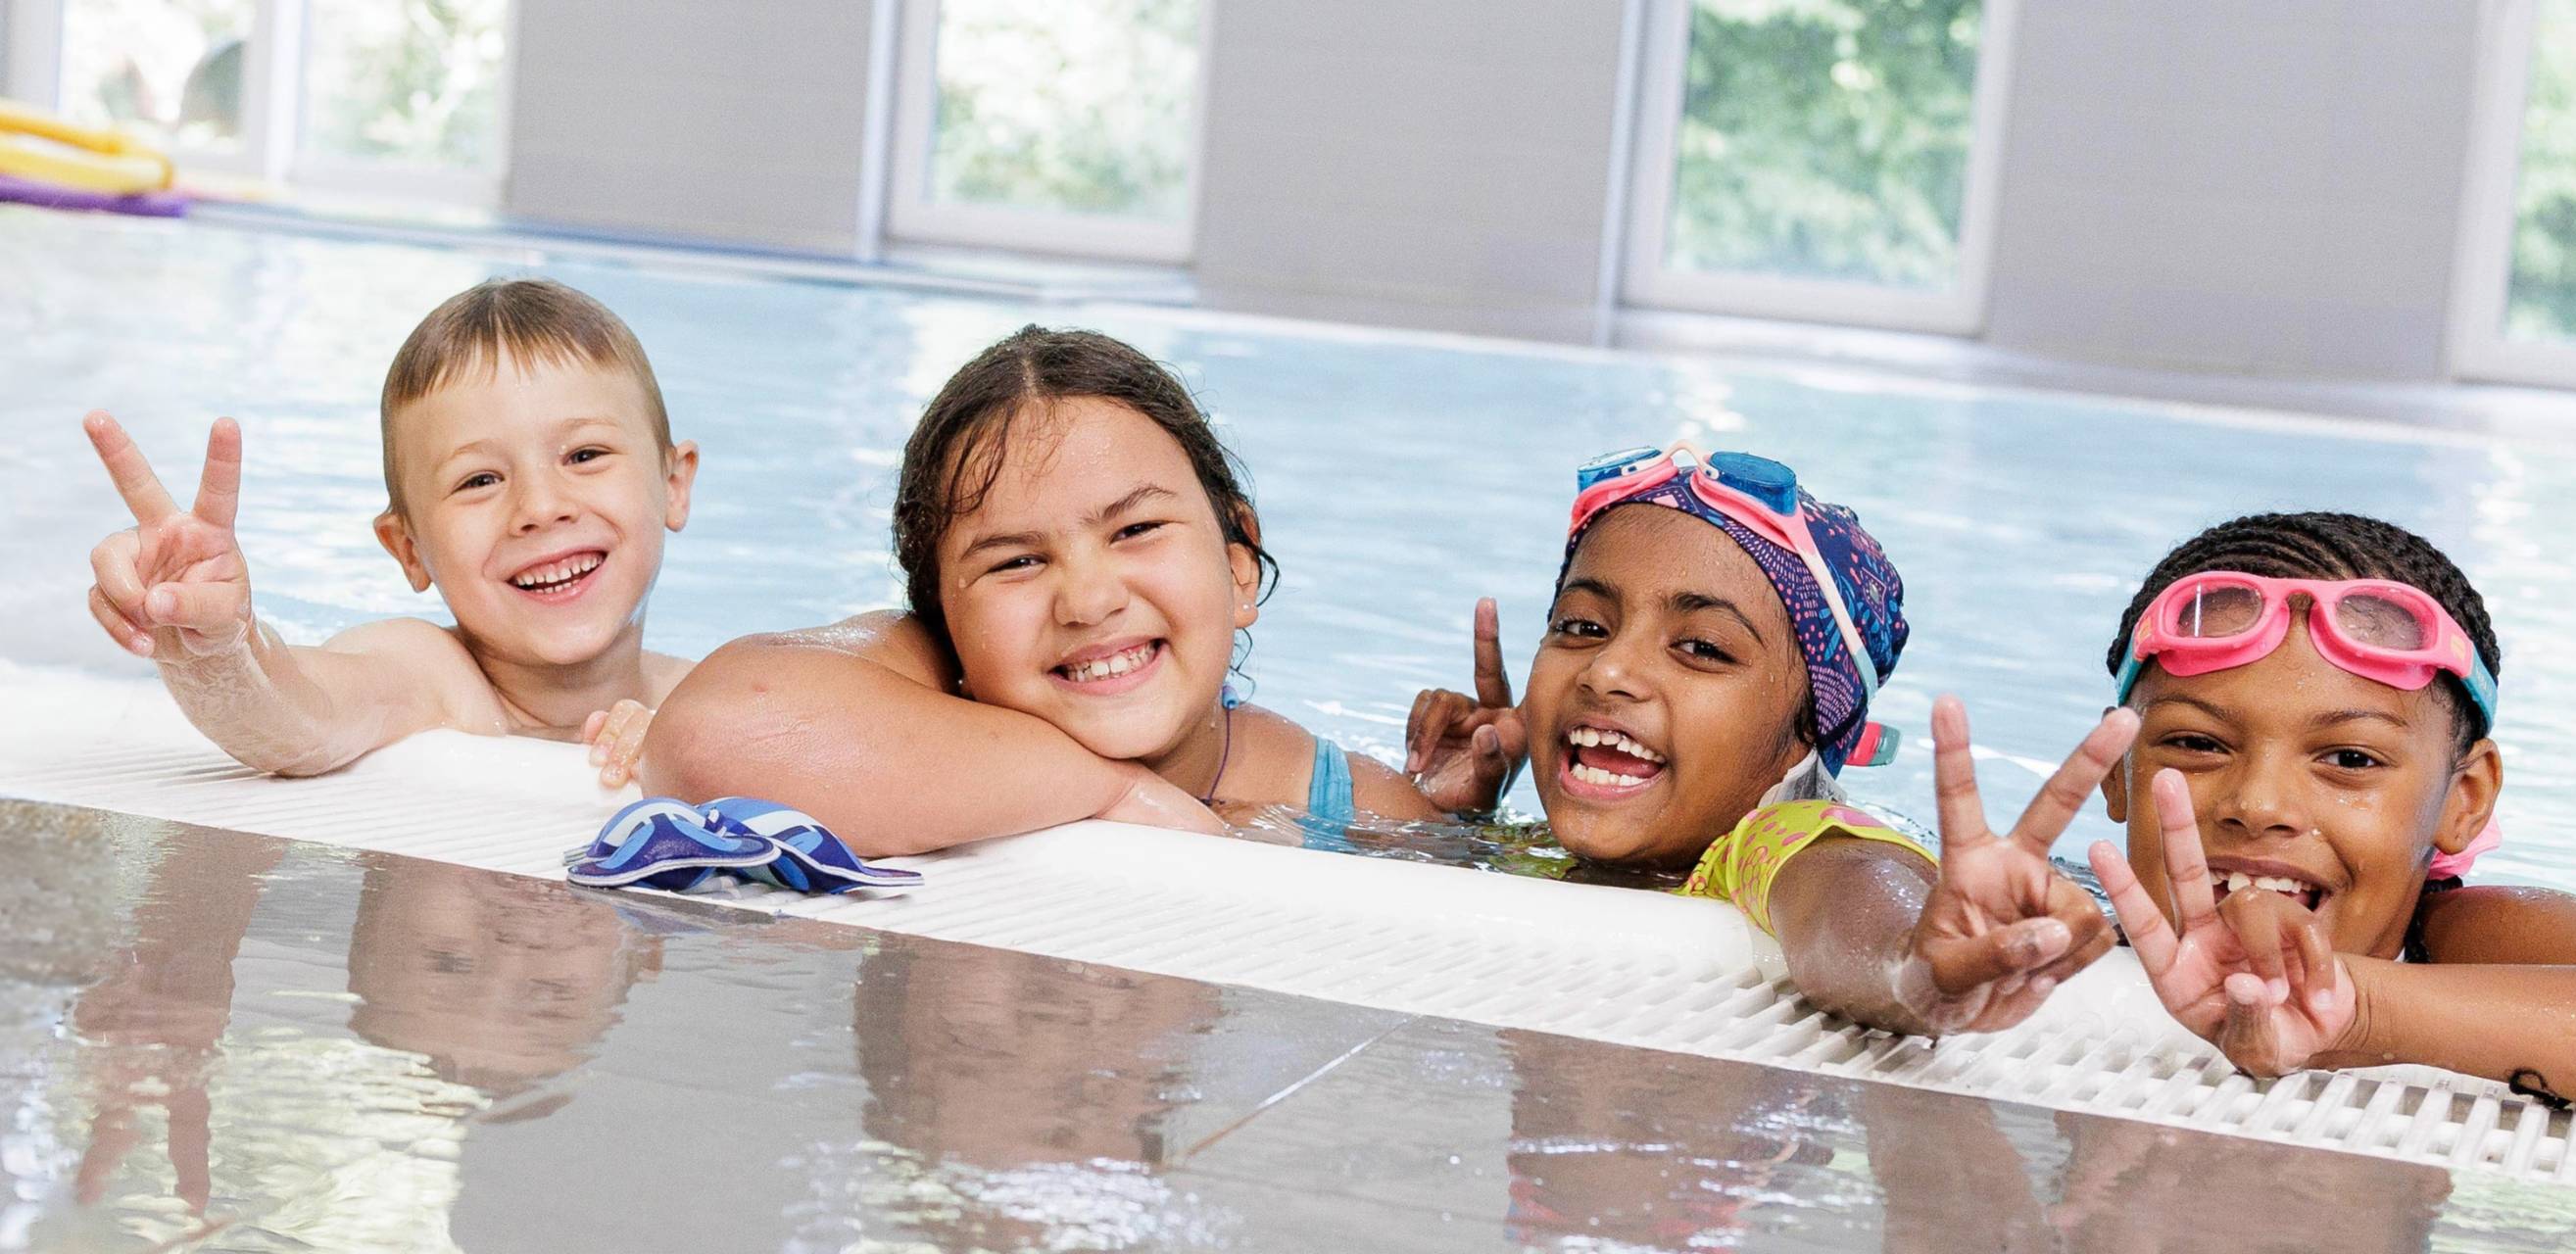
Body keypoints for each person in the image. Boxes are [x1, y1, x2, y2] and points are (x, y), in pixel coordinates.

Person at [2084, 511, 2576, 1136]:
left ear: (2465, 799)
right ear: (2116, 770)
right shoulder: (2056, 927)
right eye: (2197, 744)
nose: (2260, 805)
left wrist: (2361, 1007)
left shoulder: (2461, 942)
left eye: (2350, 758)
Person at [1407, 443, 2127, 1037]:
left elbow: (1846, 895)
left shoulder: (1774, 841)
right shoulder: (1538, 843)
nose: (1608, 669)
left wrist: (1912, 964)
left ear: (1807, 730)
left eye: (1701, 648)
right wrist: (1449, 815)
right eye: (1583, 626)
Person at [642, 326, 1441, 855]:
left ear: (1238, 567)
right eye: (1016, 562)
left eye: (1135, 531)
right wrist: (1114, 791)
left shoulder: (1359, 812)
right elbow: (708, 735)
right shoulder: (916, 677)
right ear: (945, 628)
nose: (1087, 601)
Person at [80, 277, 699, 785]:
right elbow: (300, 720)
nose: (540, 507)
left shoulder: (710, 700)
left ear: (673, 484)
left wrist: (697, 757)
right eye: (479, 480)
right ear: (408, 549)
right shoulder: (430, 677)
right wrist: (216, 651)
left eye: (585, 456)